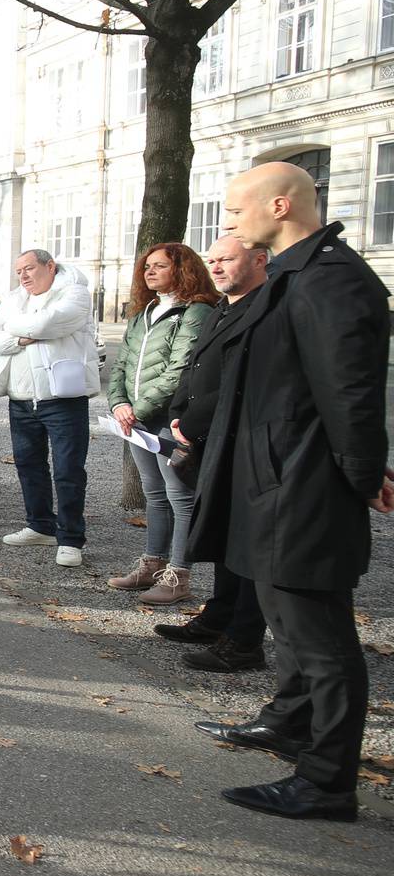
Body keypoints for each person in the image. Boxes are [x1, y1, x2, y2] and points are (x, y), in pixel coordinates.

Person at [187, 163, 391, 822]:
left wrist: (364, 474)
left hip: (303, 485)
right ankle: (289, 723)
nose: (229, 222)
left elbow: (351, 392)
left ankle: (327, 781)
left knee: (318, 636)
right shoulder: (295, 273)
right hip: (274, 476)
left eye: (236, 209)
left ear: (279, 205)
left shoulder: (330, 279)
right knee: (288, 619)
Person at [153, 235, 270, 672]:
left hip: (241, 441)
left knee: (245, 544)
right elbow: (196, 369)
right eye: (214, 260)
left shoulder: (265, 308)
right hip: (206, 437)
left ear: (259, 260)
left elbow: (239, 383)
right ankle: (218, 618)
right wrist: (180, 413)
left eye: (228, 259)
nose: (217, 267)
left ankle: (243, 639)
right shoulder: (224, 307)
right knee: (223, 537)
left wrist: (194, 421)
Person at [103, 242, 217, 605]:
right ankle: (152, 562)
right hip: (136, 418)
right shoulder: (144, 312)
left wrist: (138, 407)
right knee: (153, 493)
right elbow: (121, 365)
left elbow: (180, 368)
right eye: (147, 266)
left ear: (181, 269)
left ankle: (178, 573)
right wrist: (119, 402)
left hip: (170, 418)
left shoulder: (195, 311)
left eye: (159, 266)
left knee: (179, 495)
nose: (149, 272)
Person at [0, 249, 100, 569]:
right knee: (29, 465)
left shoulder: (74, 293)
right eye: (19, 271)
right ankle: (40, 525)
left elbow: (49, 323)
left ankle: (71, 538)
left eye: (29, 268)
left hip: (63, 398)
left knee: (68, 470)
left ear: (50, 266)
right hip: (21, 397)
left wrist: (15, 326)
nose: (24, 276)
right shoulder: (17, 297)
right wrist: (18, 340)